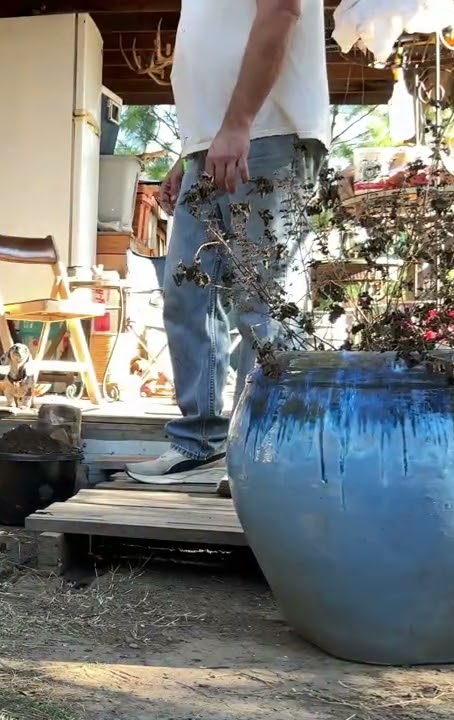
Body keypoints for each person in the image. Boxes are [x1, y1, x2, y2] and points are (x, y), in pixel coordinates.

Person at [127, 0, 330, 478]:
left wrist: (238, 125)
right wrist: (190, 151)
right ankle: (201, 443)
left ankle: (261, 454)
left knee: (264, 302)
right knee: (187, 294)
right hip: (214, 145)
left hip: (269, 136)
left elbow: (281, 11)